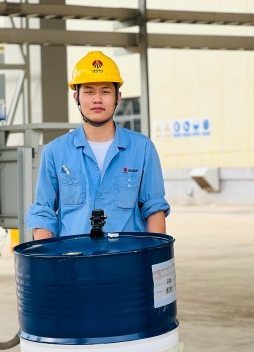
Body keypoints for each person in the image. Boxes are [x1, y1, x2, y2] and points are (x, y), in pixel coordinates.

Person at [26, 50, 170, 239]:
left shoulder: (142, 148)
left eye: (105, 91)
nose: (97, 99)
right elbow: (43, 213)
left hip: (128, 256)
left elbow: (154, 208)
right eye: (89, 91)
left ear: (118, 97)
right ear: (76, 97)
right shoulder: (55, 152)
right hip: (73, 256)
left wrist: (156, 253)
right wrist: (45, 255)